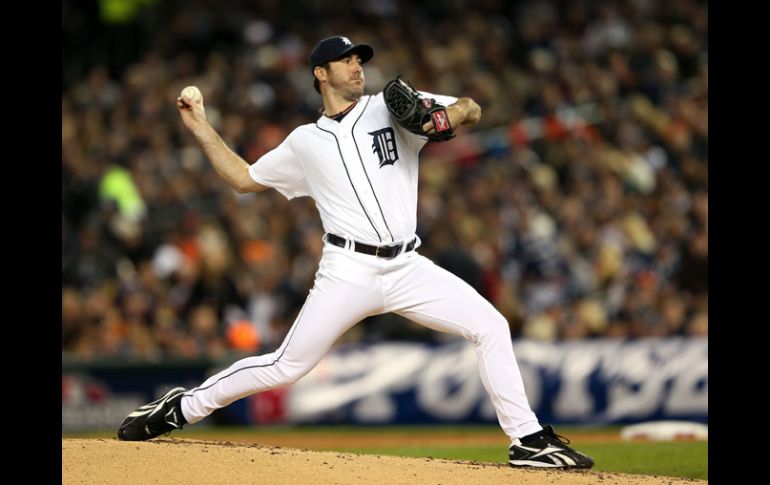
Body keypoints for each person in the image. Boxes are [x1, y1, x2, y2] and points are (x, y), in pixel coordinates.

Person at [117, 35, 594, 469]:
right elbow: (244, 178)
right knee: (288, 365)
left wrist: (446, 116)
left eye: (358, 59)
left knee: (491, 325)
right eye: (343, 61)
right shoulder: (305, 142)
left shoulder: (391, 107)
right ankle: (180, 407)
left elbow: (472, 108)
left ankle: (526, 439)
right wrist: (201, 127)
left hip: (408, 265)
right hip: (348, 268)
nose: (355, 66)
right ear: (320, 75)